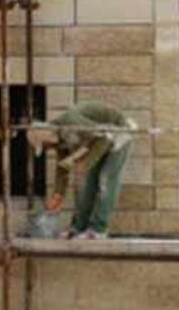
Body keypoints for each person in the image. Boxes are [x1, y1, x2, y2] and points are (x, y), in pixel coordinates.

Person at [26, 101, 135, 240]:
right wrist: (58, 194)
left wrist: (85, 164)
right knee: (87, 184)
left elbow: (105, 137)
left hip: (119, 132)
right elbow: (62, 167)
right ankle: (78, 228)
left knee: (105, 180)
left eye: (45, 146)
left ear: (47, 137)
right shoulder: (59, 140)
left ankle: (98, 230)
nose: (48, 150)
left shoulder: (71, 122)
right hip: (98, 140)